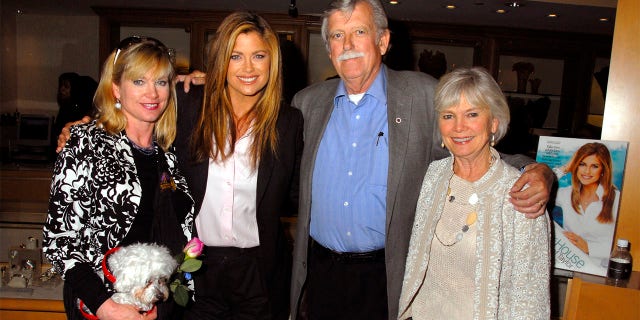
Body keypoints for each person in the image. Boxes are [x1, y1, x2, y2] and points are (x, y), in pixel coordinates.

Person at [288, 1, 554, 319]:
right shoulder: (306, 104)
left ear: (383, 41)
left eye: (359, 32)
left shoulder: (422, 95)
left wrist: (535, 170)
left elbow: (468, 144)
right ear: (329, 48)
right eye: (337, 35)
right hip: (321, 273)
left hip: (386, 273)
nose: (348, 45)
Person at [43, 36, 194, 320]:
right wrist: (106, 306)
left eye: (161, 82)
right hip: (98, 305)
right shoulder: (84, 144)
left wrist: (161, 308)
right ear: (115, 88)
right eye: (139, 81)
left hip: (158, 304)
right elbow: (59, 240)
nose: (152, 93)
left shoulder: (170, 153)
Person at [175, 12, 303, 320]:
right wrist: (81, 126)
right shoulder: (188, 104)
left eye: (258, 56)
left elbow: (295, 193)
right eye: (236, 56)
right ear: (222, 61)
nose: (248, 68)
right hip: (195, 265)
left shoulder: (288, 122)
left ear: (271, 61)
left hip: (258, 271)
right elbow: (130, 117)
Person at [398, 67, 551, 320]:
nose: (459, 127)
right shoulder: (433, 176)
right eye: (448, 115)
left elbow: (530, 299)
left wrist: (544, 172)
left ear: (494, 122)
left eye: (471, 114)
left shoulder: (521, 194)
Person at [554, 142, 619, 268]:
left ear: (603, 170)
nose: (587, 171)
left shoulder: (618, 199)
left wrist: (589, 247)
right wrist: (566, 168)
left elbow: (627, 245)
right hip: (569, 266)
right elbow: (532, 190)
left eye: (594, 166)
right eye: (582, 164)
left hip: (600, 271)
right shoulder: (565, 194)